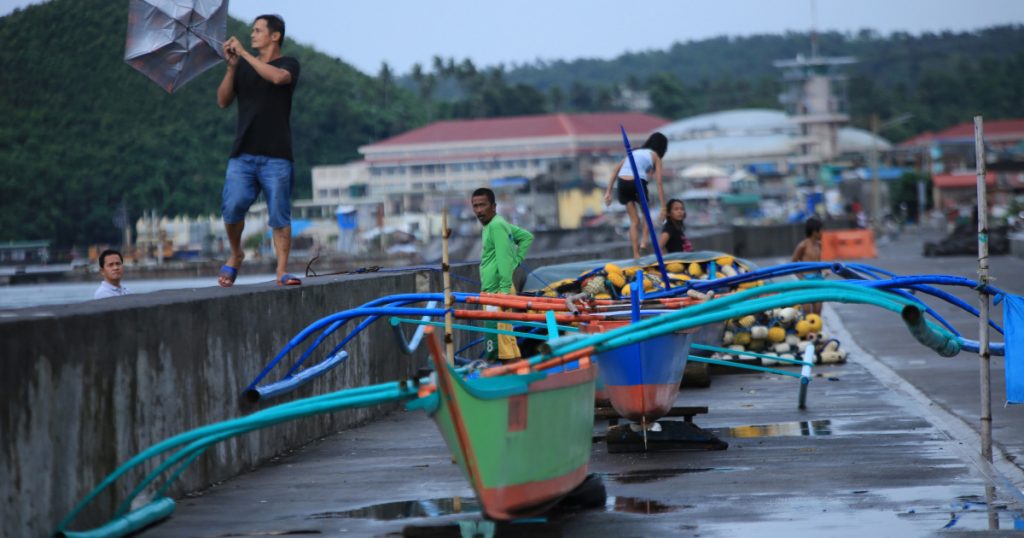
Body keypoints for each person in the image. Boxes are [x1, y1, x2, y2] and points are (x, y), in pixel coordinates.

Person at [216, 14, 302, 287]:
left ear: (275, 36)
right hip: (243, 153)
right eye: (252, 31)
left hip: (277, 155)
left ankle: (281, 271)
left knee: (279, 213)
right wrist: (232, 67)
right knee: (232, 207)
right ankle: (236, 253)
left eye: (258, 31)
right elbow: (222, 101)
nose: (252, 35)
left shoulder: (288, 64)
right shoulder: (242, 67)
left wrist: (243, 54)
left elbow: (277, 78)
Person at [471, 188, 534, 361]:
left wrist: (505, 292)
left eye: (482, 205)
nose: (478, 210)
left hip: (498, 292)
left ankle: (510, 380)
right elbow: (526, 236)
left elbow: (503, 260)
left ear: (494, 206)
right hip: (494, 292)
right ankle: (519, 377)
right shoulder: (492, 224)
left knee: (498, 346)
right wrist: (517, 260)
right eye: (475, 206)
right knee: (506, 342)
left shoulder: (497, 225)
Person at [604, 132, 668, 260]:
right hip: (637, 182)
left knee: (634, 221)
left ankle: (636, 254)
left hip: (622, 183)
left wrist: (608, 191)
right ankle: (644, 242)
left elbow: (616, 170)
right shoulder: (655, 156)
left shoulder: (634, 153)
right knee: (646, 215)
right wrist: (663, 207)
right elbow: (659, 182)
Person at [791, 216, 824, 315]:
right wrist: (801, 279)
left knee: (818, 311)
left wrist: (823, 273)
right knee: (807, 312)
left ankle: (816, 330)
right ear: (814, 232)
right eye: (821, 230)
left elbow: (818, 262)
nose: (823, 232)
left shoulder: (819, 245)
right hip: (806, 281)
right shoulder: (803, 245)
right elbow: (793, 264)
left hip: (818, 280)